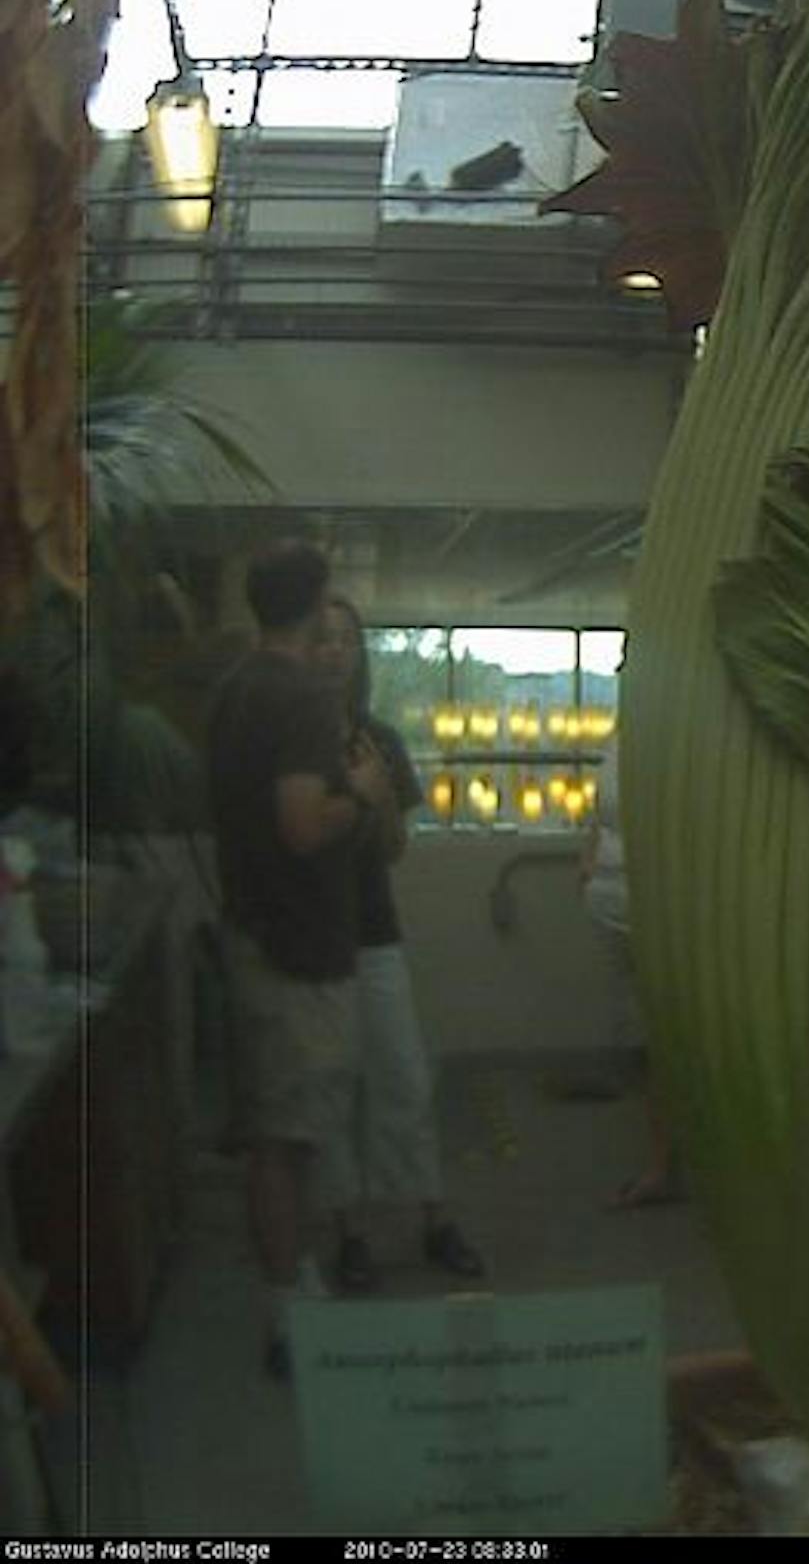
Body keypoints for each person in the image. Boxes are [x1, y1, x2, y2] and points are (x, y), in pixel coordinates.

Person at [207, 540, 391, 1379]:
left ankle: (296, 1286)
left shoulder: (234, 691)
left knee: (275, 1135)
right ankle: (292, 1313)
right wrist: (364, 795)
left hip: (253, 932)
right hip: (298, 951)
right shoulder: (302, 696)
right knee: (290, 1139)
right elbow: (303, 824)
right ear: (316, 605)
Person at [311, 596, 484, 1291]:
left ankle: (432, 1217)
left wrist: (376, 796)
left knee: (405, 1078)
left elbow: (394, 849)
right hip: (310, 944)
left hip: (374, 933)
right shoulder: (292, 743)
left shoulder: (379, 736)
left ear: (359, 654)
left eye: (346, 640)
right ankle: (350, 1232)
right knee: (334, 1092)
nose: (334, 651)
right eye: (321, 639)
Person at [583, 711, 676, 1209]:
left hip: (659, 910)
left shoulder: (676, 734)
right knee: (643, 1040)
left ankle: (667, 1166)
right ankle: (660, 1163)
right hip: (614, 904)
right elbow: (603, 814)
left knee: (664, 1037)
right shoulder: (621, 737)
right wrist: (589, 859)